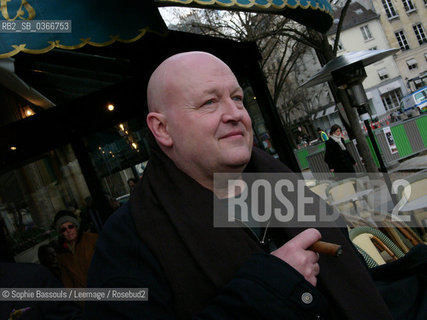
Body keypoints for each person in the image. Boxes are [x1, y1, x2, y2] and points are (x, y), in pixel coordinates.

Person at [85, 52, 394, 319]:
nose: (234, 114)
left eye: (237, 98)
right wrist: (268, 289)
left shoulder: (280, 182)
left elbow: (355, 279)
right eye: (209, 102)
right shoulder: (128, 240)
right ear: (162, 129)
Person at [54, 211, 98, 288]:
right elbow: (67, 280)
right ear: (61, 233)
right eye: (63, 229)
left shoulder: (92, 239)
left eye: (70, 226)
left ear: (76, 227)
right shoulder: (61, 253)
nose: (68, 231)